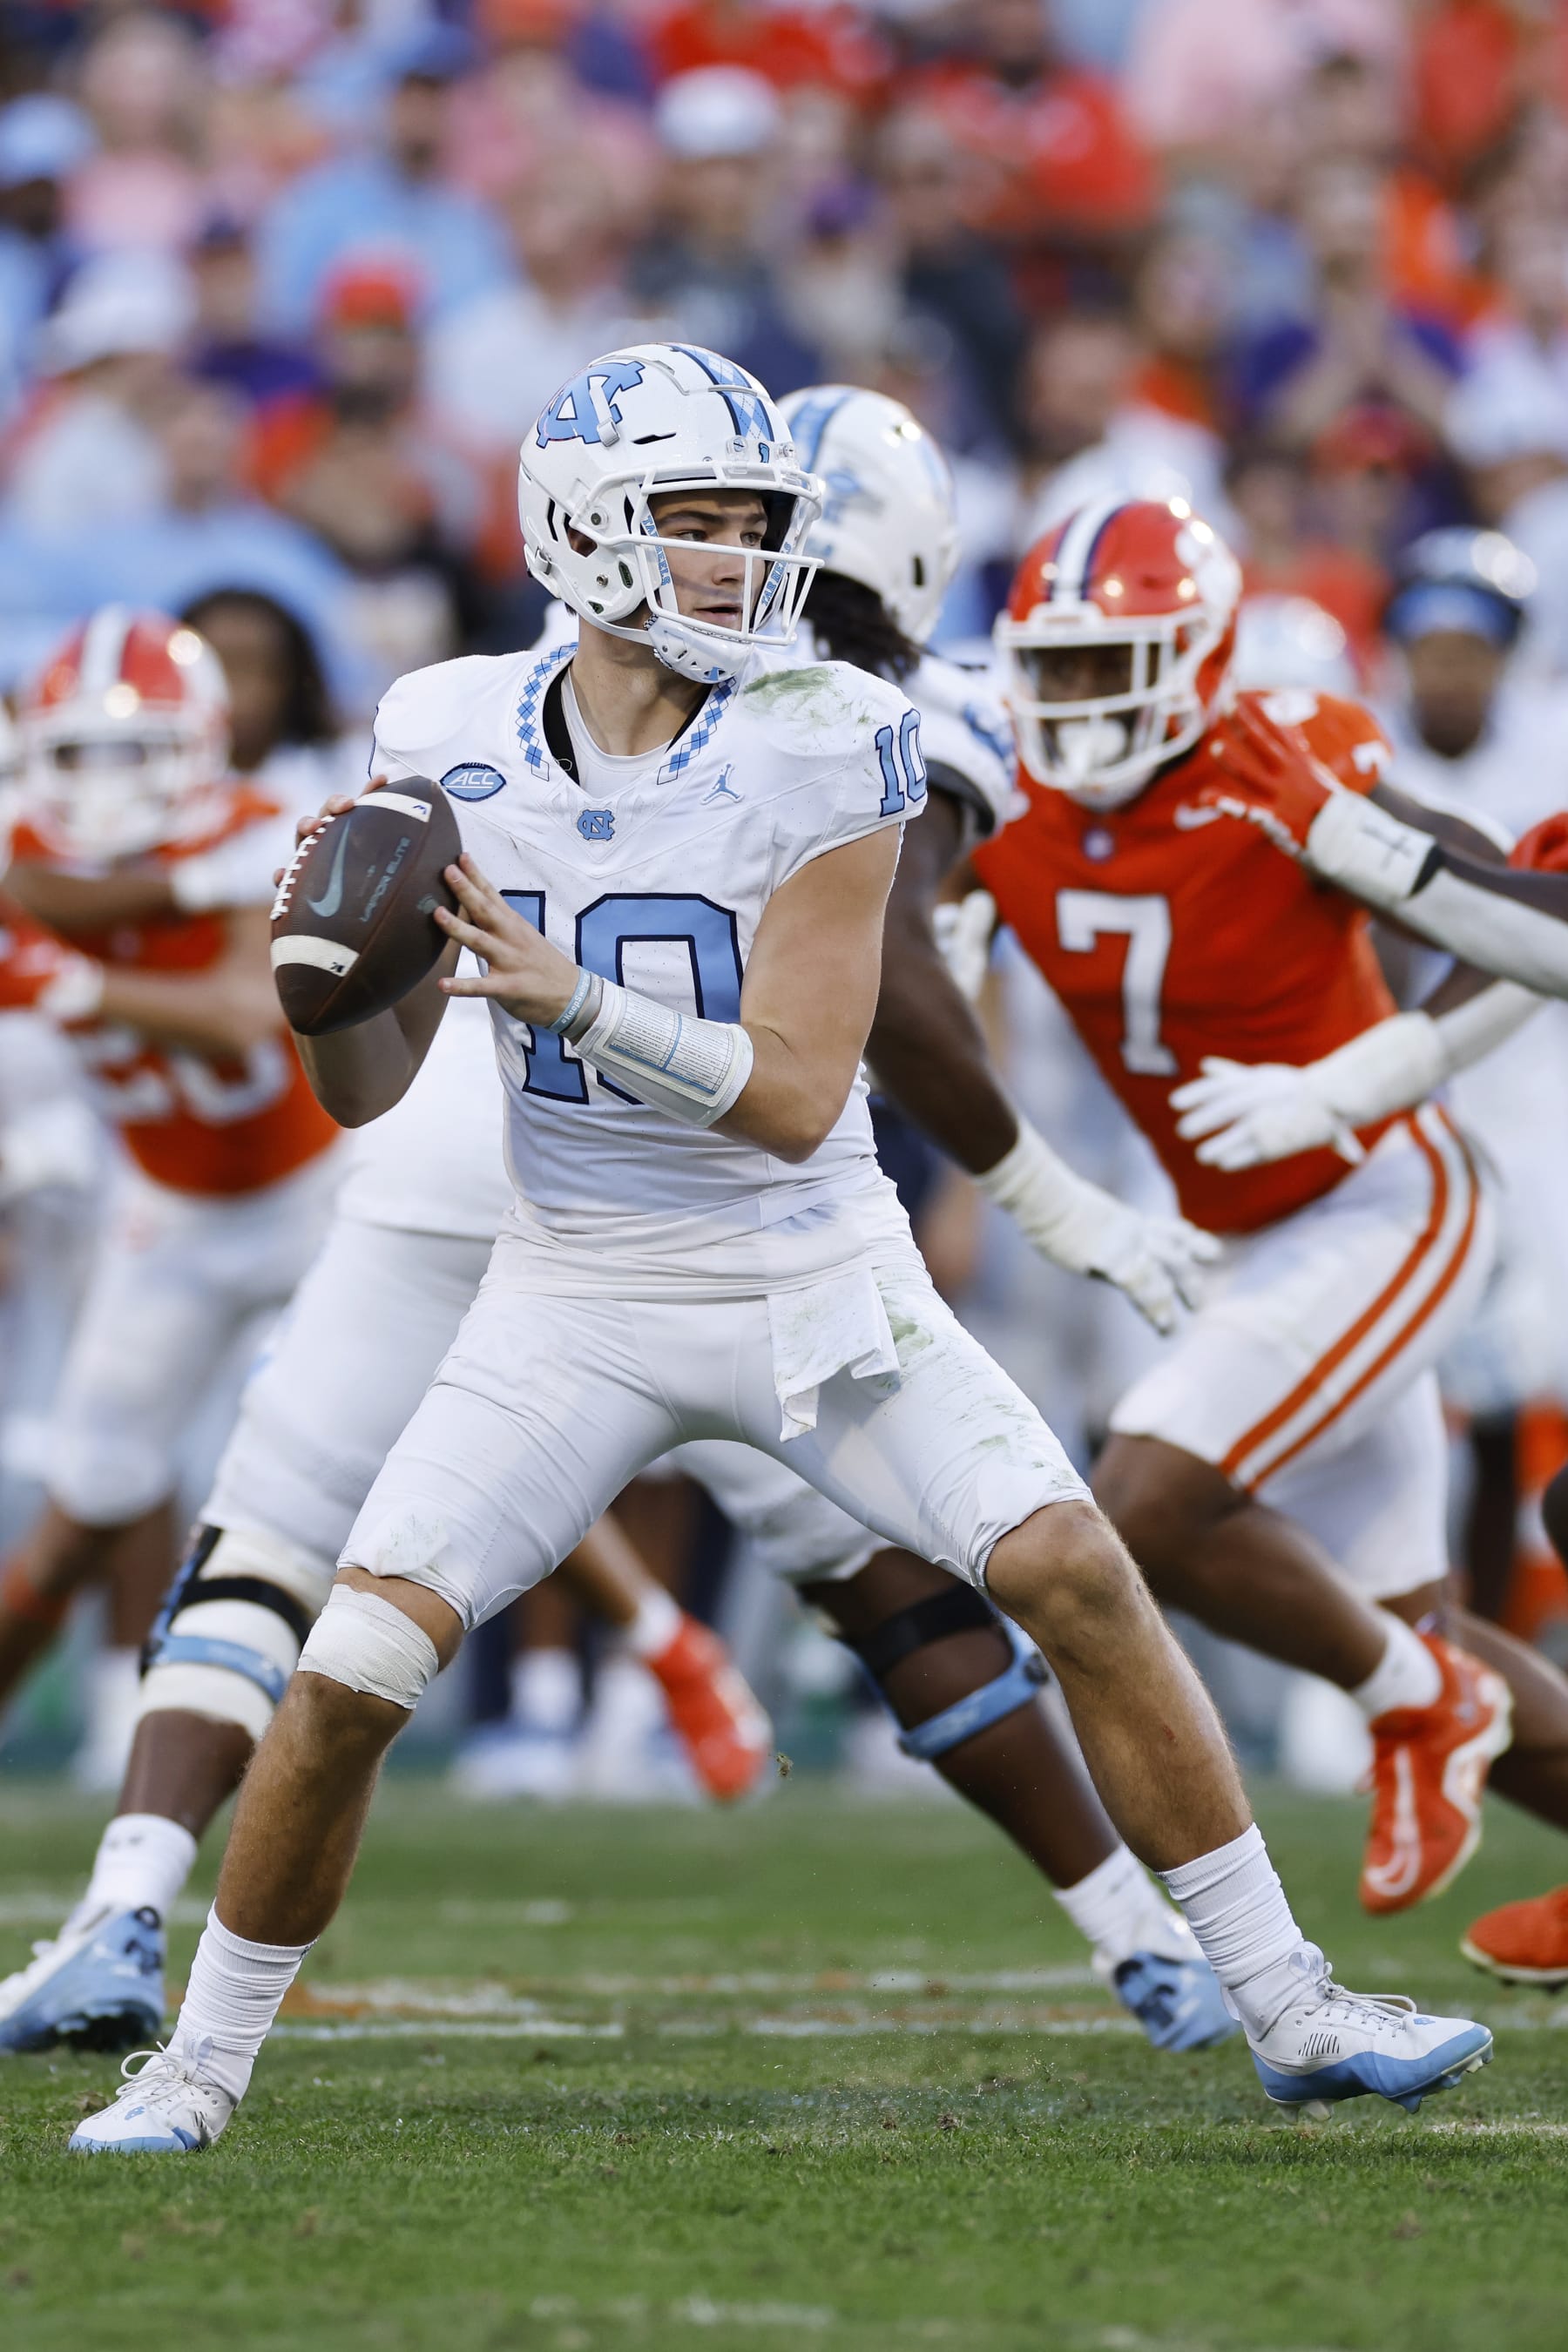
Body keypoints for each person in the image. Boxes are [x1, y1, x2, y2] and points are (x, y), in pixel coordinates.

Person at [71, 345, 1488, 2156]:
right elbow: (369, 1093)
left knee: (1069, 1569)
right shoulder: (439, 731)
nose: (747, 563)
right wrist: (328, 984)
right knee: (351, 1671)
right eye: (703, 524)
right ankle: (192, 2069)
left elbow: (810, 1093)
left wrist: (563, 986)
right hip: (570, 1287)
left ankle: (1288, 2002)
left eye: (758, 526)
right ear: (585, 533)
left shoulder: (829, 731)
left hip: (810, 1274)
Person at [962, 495, 1568, 1930]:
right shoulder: (998, 791)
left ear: (1196, 656)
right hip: (1246, 1234)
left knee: (1138, 1511)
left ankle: (1420, 1704)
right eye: (1052, 665)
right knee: (1415, 1617)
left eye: (1111, 663)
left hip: (1387, 1197)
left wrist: (1355, 1080)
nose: (1074, 699)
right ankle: (1429, 1685)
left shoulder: (1280, 758)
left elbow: (1538, 929)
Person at [0, 607, 343, 1780]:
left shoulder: (257, 836)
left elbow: (254, 1010)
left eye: (136, 750)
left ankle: (654, 1660)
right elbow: (47, 887)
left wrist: (75, 985)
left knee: (407, 1438)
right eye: (83, 754)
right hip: (171, 1221)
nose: (106, 785)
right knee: (84, 1497)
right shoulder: (25, 872)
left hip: (321, 1196)